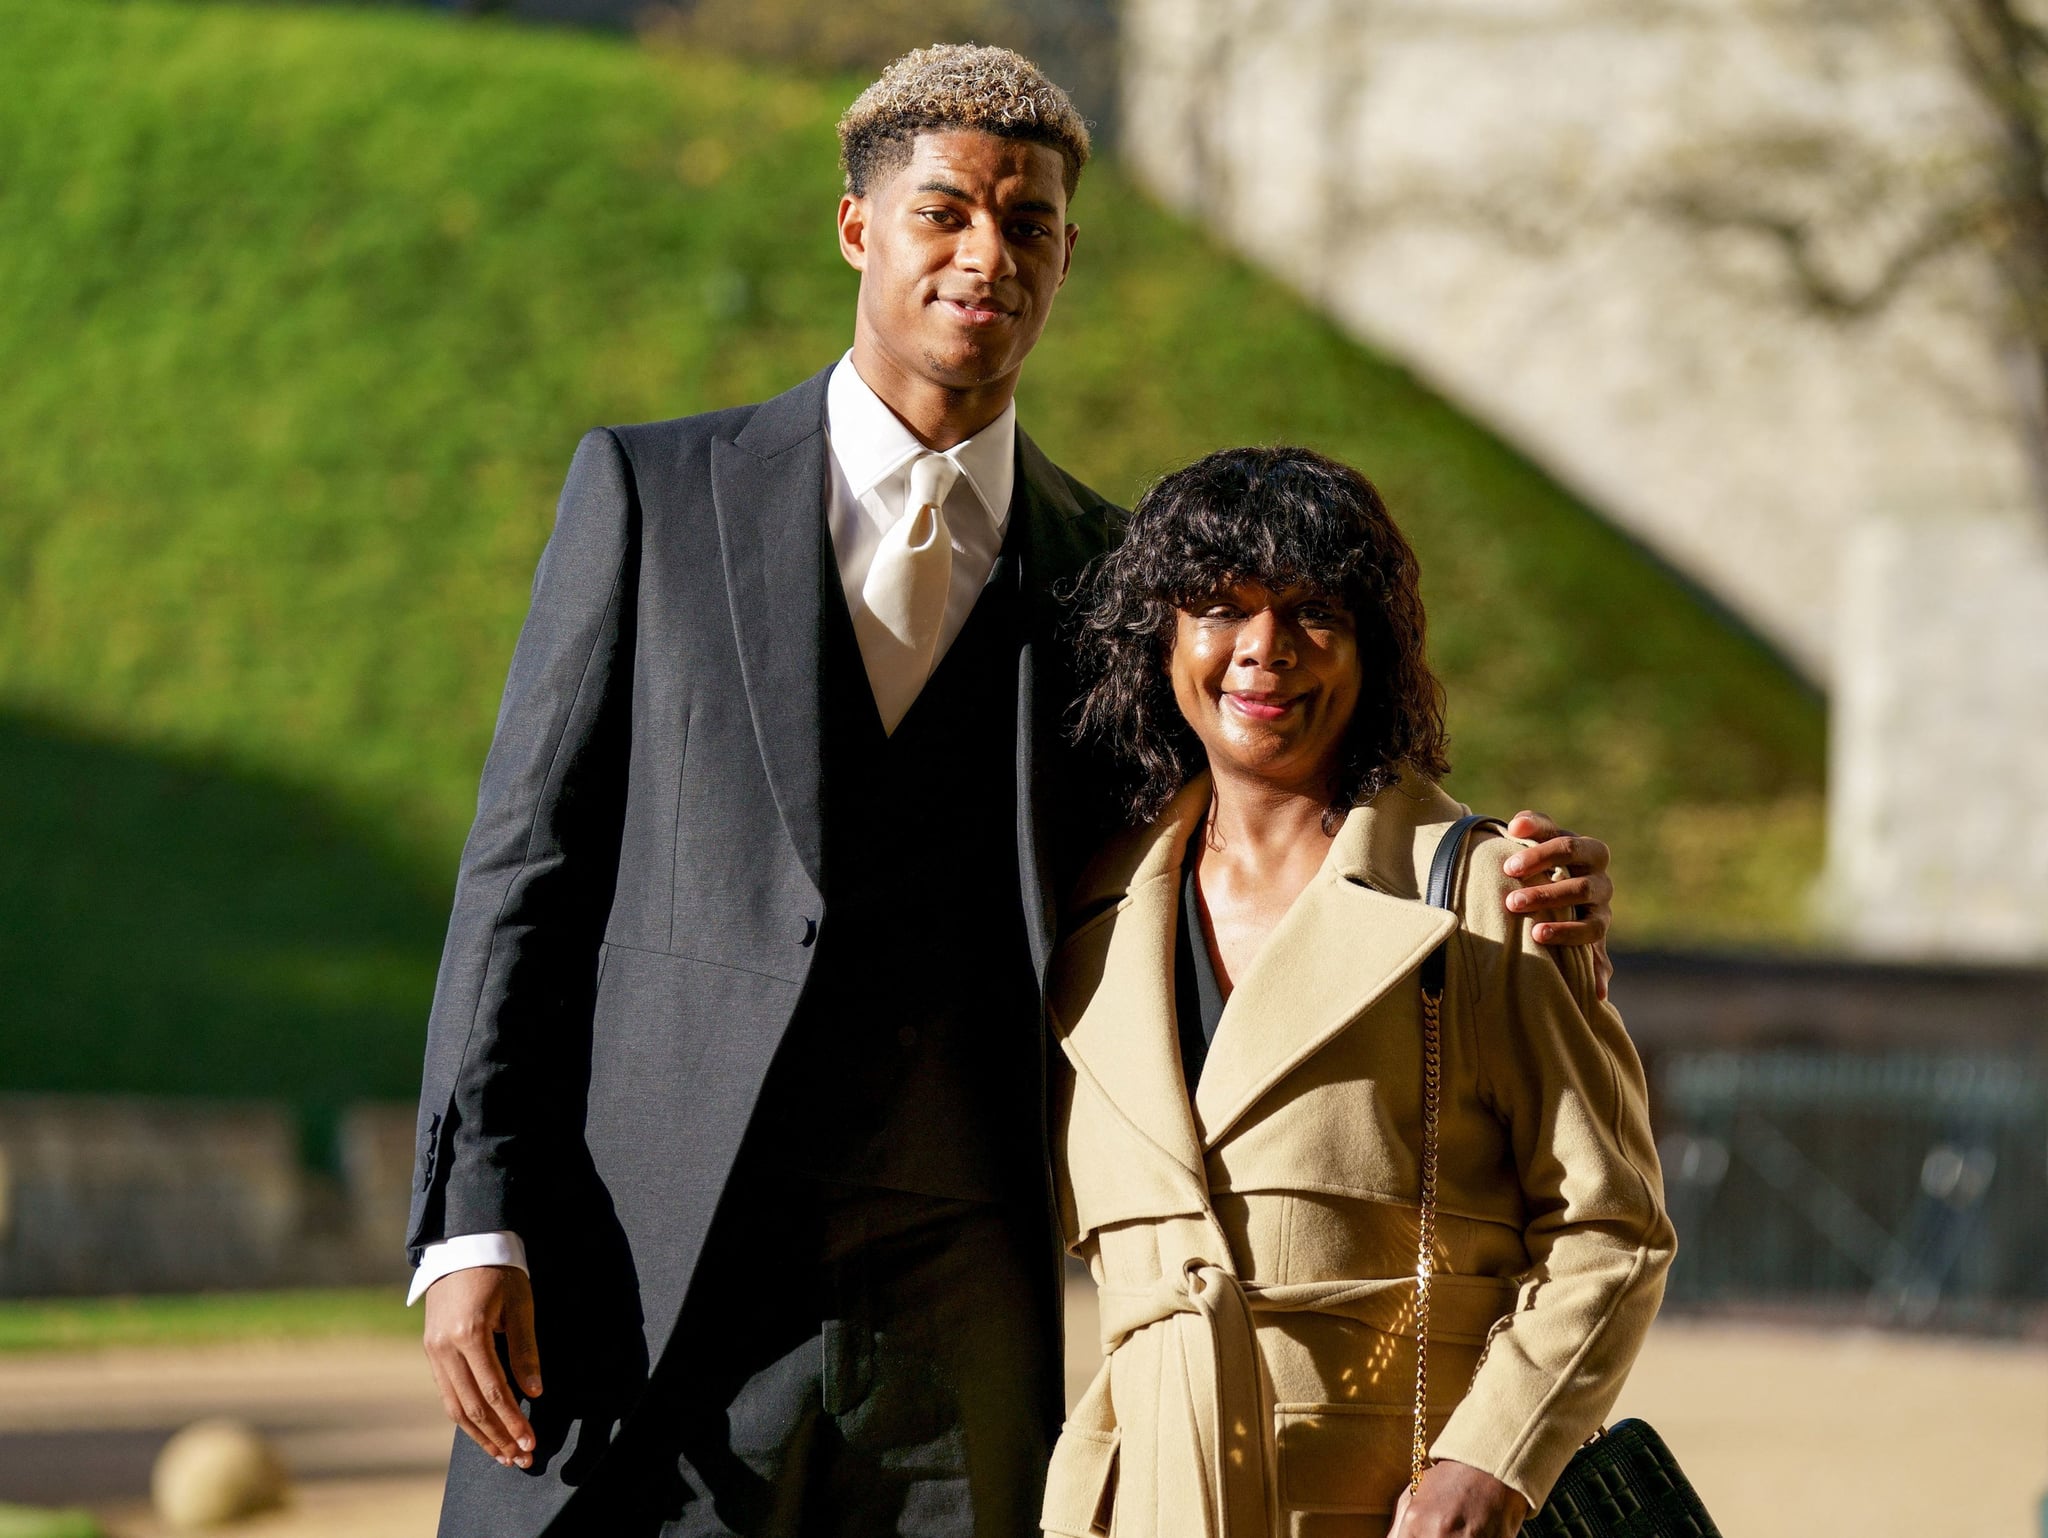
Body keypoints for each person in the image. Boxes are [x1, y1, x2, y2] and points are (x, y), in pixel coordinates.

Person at [406, 46, 1621, 1538]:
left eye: (1028, 225)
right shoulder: (655, 497)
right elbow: (522, 870)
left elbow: (1278, 784)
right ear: (859, 228)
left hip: (957, 1308)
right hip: (659, 1270)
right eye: (946, 214)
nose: (988, 257)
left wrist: (1501, 874)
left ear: (1066, 253)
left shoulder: (1122, 579)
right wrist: (475, 1213)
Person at [1043, 447, 1673, 1538]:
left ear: (1370, 647)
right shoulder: (1086, 913)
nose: (1262, 651)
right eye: (1216, 608)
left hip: (1386, 1512)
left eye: (1311, 611)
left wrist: (1493, 1461)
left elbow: (1609, 1225)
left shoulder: (1484, 891)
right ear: (1161, 639)